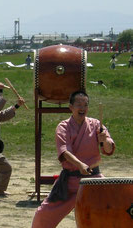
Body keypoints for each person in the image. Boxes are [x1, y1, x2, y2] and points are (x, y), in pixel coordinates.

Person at [31, 91, 115, 228]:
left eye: (85, 105)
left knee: (109, 210)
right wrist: (80, 164)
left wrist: (105, 140)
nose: (82, 108)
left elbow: (109, 149)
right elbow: (64, 152)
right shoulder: (63, 127)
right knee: (44, 214)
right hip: (70, 181)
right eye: (79, 105)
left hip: (93, 180)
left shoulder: (96, 124)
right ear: (71, 107)